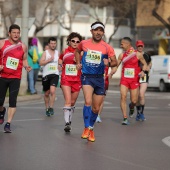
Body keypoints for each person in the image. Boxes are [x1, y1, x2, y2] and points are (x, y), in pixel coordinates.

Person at [75, 21, 117, 142]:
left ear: (103, 32)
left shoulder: (107, 47)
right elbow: (77, 51)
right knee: (88, 101)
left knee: (96, 108)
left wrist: (108, 63)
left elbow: (115, 62)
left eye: (100, 30)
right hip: (87, 76)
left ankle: (91, 128)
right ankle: (86, 127)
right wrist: (78, 63)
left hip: (99, 78)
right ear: (91, 31)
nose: (98, 32)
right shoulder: (84, 43)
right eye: (96, 30)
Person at [0, 24, 31, 133]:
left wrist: (26, 66)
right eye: (14, 32)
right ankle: (2, 110)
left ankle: (8, 124)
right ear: (9, 33)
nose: (16, 35)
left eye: (18, 33)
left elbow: (24, 59)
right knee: (0, 101)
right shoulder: (2, 43)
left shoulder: (23, 46)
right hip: (2, 76)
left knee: (13, 101)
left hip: (15, 77)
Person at [110, 37, 147, 125]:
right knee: (123, 96)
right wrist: (112, 72)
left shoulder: (138, 54)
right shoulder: (121, 55)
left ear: (128, 44)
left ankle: (131, 106)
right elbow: (116, 66)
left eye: (122, 44)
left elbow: (145, 64)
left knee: (134, 100)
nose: (121, 46)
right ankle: (125, 118)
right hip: (124, 80)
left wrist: (143, 71)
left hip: (134, 80)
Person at [58, 32, 83, 132]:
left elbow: (85, 64)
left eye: (78, 41)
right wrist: (59, 66)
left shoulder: (81, 53)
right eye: (73, 41)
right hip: (66, 79)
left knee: (72, 102)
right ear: (69, 41)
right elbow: (60, 60)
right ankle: (67, 122)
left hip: (77, 80)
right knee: (68, 101)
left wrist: (79, 62)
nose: (75, 43)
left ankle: (69, 119)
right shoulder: (64, 51)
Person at [39, 37, 59, 116]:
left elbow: (61, 62)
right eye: (51, 43)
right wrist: (48, 60)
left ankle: (51, 107)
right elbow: (41, 63)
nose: (53, 45)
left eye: (54, 43)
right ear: (49, 44)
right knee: (47, 93)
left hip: (55, 74)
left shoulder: (57, 53)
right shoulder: (45, 53)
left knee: (53, 91)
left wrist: (61, 65)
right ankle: (47, 108)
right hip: (46, 75)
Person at [135, 40, 152, 121]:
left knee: (141, 94)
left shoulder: (146, 55)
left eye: (141, 46)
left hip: (144, 77)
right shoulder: (134, 55)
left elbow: (150, 62)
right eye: (139, 46)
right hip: (135, 76)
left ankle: (141, 113)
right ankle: (138, 113)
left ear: (143, 46)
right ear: (136, 46)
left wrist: (148, 66)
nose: (140, 47)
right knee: (136, 96)